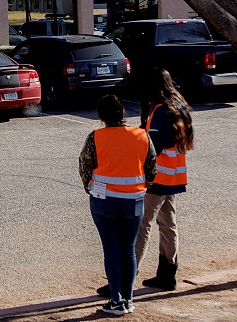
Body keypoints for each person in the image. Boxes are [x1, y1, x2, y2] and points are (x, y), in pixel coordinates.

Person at [80, 94, 156, 316]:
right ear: (123, 113)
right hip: (133, 201)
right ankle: (128, 299)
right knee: (128, 250)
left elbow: (85, 166)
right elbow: (152, 167)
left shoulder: (96, 137)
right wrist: (144, 186)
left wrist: (90, 187)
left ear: (101, 117)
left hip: (104, 201)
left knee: (111, 250)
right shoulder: (141, 135)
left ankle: (116, 300)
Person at [135, 68, 194, 291]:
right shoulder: (180, 106)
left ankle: (125, 278)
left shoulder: (161, 110)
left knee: (142, 225)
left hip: (158, 176)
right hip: (173, 175)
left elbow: (154, 146)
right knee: (168, 224)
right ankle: (167, 274)